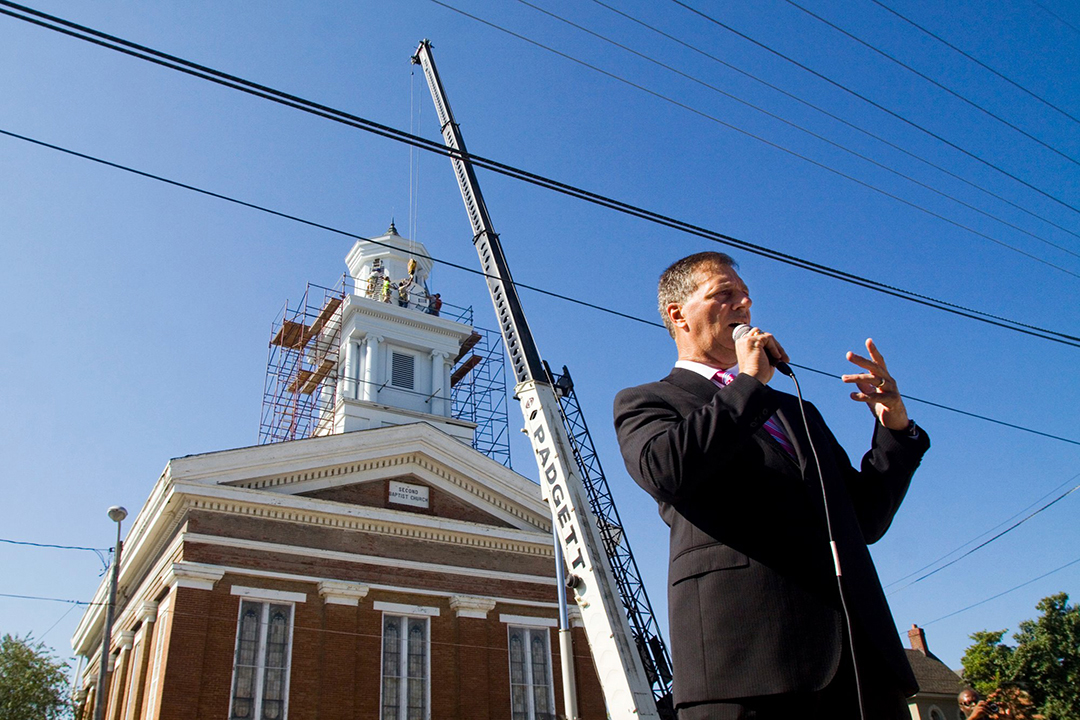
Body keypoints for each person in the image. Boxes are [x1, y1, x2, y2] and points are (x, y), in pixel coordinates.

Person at [613, 251, 929, 719]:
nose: (744, 305)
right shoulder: (648, 401)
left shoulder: (795, 409)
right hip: (748, 666)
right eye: (724, 294)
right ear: (677, 314)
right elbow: (667, 470)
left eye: (746, 297)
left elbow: (865, 518)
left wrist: (895, 433)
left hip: (859, 669)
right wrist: (748, 384)